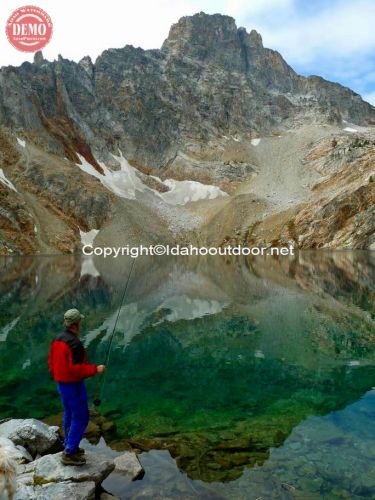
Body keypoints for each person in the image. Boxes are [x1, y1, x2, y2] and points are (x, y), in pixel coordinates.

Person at [48, 308, 105, 466]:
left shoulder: (57, 339)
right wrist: (96, 369)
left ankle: (69, 445)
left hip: (61, 384)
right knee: (81, 417)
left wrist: (57, 376)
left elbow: (51, 363)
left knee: (68, 414)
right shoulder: (74, 344)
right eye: (79, 321)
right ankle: (69, 453)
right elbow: (76, 369)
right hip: (73, 386)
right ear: (76, 324)